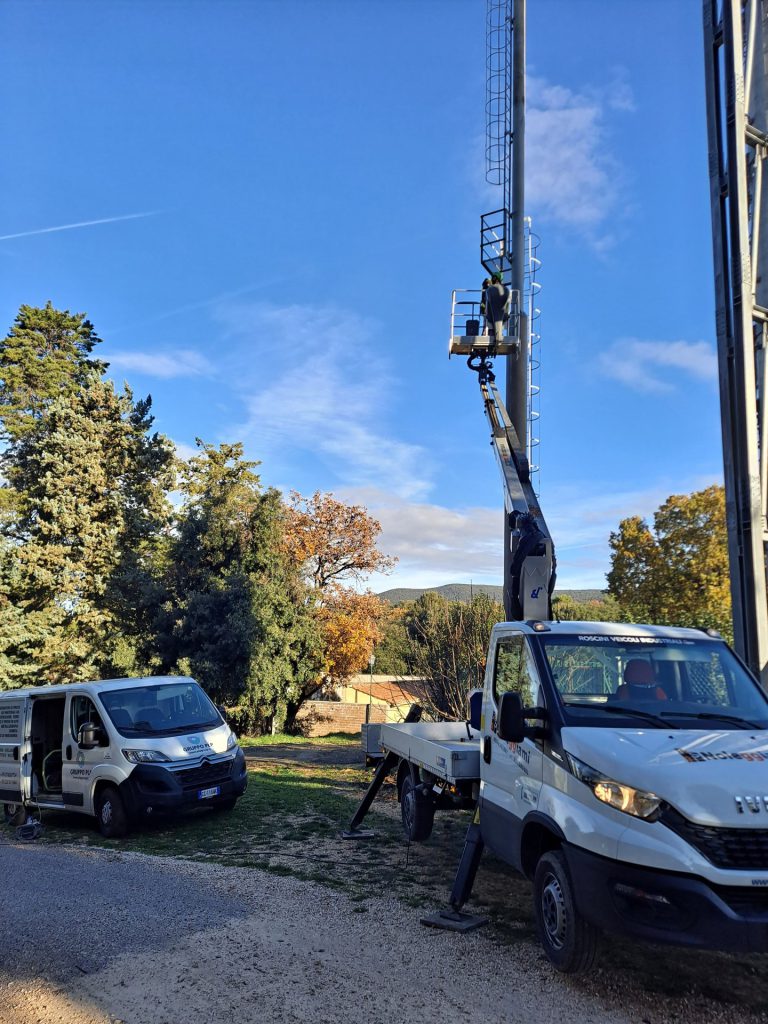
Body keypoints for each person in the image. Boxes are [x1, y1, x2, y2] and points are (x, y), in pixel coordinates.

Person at [483, 272, 511, 344]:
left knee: (487, 316)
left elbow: (486, 302)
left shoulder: (489, 290)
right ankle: (498, 334)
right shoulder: (506, 290)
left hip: (490, 319)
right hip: (503, 319)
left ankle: (490, 333)